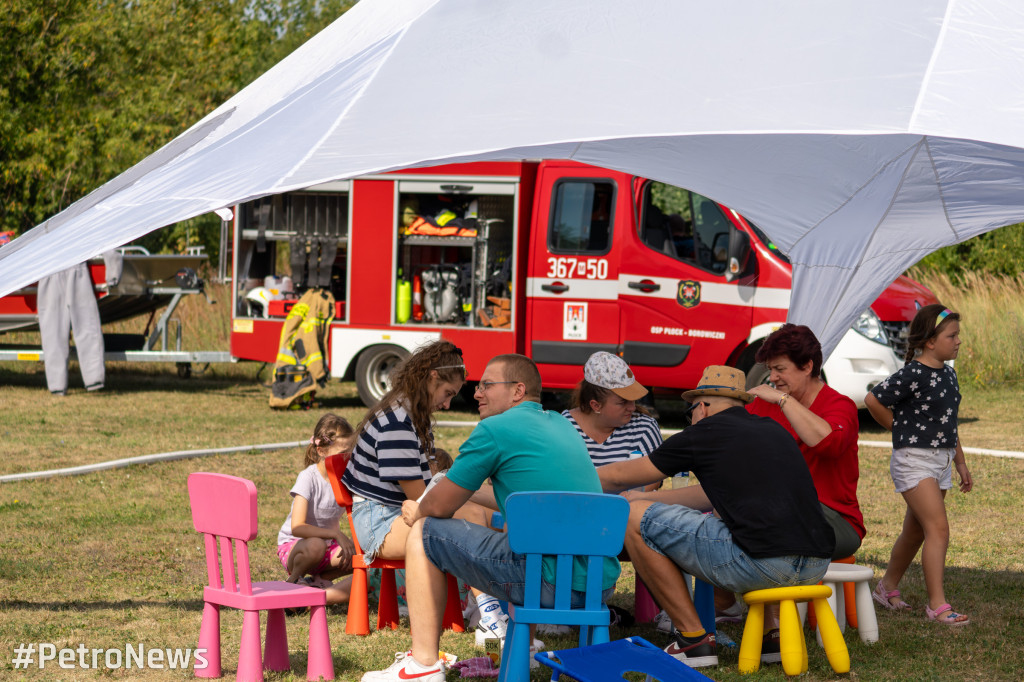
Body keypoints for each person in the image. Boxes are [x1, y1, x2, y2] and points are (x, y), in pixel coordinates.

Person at [360, 354, 620, 682]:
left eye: (486, 385)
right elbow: (514, 498)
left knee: (424, 532)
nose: (477, 393)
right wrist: (449, 492)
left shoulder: (495, 429)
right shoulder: (560, 423)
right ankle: (516, 645)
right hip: (596, 582)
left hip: (545, 581)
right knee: (510, 535)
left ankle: (423, 666)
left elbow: (438, 509)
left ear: (517, 390)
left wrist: (419, 509)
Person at [596, 365, 835, 667]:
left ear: (703, 408)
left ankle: (693, 640)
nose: (691, 419)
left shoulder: (703, 433)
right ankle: (772, 635)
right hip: (816, 565)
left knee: (632, 517)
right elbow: (708, 495)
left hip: (763, 566)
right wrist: (644, 496)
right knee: (765, 526)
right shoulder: (772, 430)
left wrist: (562, 479)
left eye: (690, 412)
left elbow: (618, 476)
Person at [340, 340, 503, 640]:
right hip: (380, 525)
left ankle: (489, 609)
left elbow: (429, 486)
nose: (447, 404)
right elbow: (422, 498)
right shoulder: (397, 423)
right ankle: (490, 613)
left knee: (477, 512)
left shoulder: (411, 415)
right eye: (447, 394)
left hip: (396, 512)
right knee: (469, 519)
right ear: (431, 377)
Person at [865, 304, 973, 626]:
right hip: (914, 461)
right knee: (937, 528)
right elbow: (873, 400)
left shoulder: (949, 374)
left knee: (915, 532)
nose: (957, 342)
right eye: (951, 336)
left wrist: (961, 463)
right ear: (929, 341)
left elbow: (948, 424)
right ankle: (938, 606)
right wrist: (900, 431)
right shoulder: (913, 373)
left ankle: (886, 588)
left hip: (940, 462)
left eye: (958, 336)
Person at [748, 324, 865, 559]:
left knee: (755, 534)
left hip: (835, 520)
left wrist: (783, 400)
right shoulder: (763, 404)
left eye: (780, 369)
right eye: (770, 369)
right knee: (721, 530)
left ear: (808, 366)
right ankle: (728, 598)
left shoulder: (840, 405)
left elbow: (827, 442)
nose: (772, 378)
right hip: (778, 514)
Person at [276, 413, 357, 605]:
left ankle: (318, 581)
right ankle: (293, 581)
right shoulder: (308, 478)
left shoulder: (345, 478)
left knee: (358, 555)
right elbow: (297, 527)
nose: (347, 458)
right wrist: (336, 534)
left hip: (326, 546)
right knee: (315, 545)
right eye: (342, 453)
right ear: (321, 451)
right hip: (297, 546)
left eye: (350, 453)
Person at [562, 351, 663, 469]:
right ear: (596, 405)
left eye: (633, 399)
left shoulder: (644, 427)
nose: (632, 407)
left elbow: (652, 480)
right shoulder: (564, 428)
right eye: (622, 402)